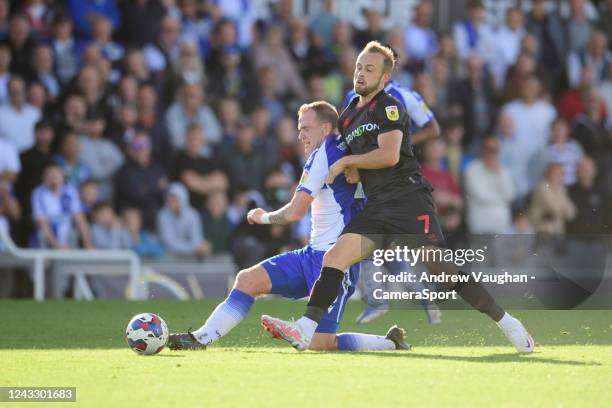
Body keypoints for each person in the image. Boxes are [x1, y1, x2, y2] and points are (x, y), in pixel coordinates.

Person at [261, 41, 534, 353]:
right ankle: (304, 329)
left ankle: (509, 324)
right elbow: (355, 159)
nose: (361, 73)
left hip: (408, 200)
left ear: (385, 78)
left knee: (445, 275)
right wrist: (352, 169)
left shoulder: (390, 106)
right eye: (359, 67)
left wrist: (348, 163)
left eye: (370, 69)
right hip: (377, 207)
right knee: (335, 257)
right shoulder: (348, 114)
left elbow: (389, 156)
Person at [167, 101, 410, 352]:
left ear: (326, 128)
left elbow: (295, 212)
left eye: (306, 128)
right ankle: (199, 338)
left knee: (321, 343)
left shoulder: (324, 155)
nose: (300, 135)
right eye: (298, 129)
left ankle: (390, 342)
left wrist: (263, 217)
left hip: (336, 265)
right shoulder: (350, 152)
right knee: (248, 279)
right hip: (310, 255)